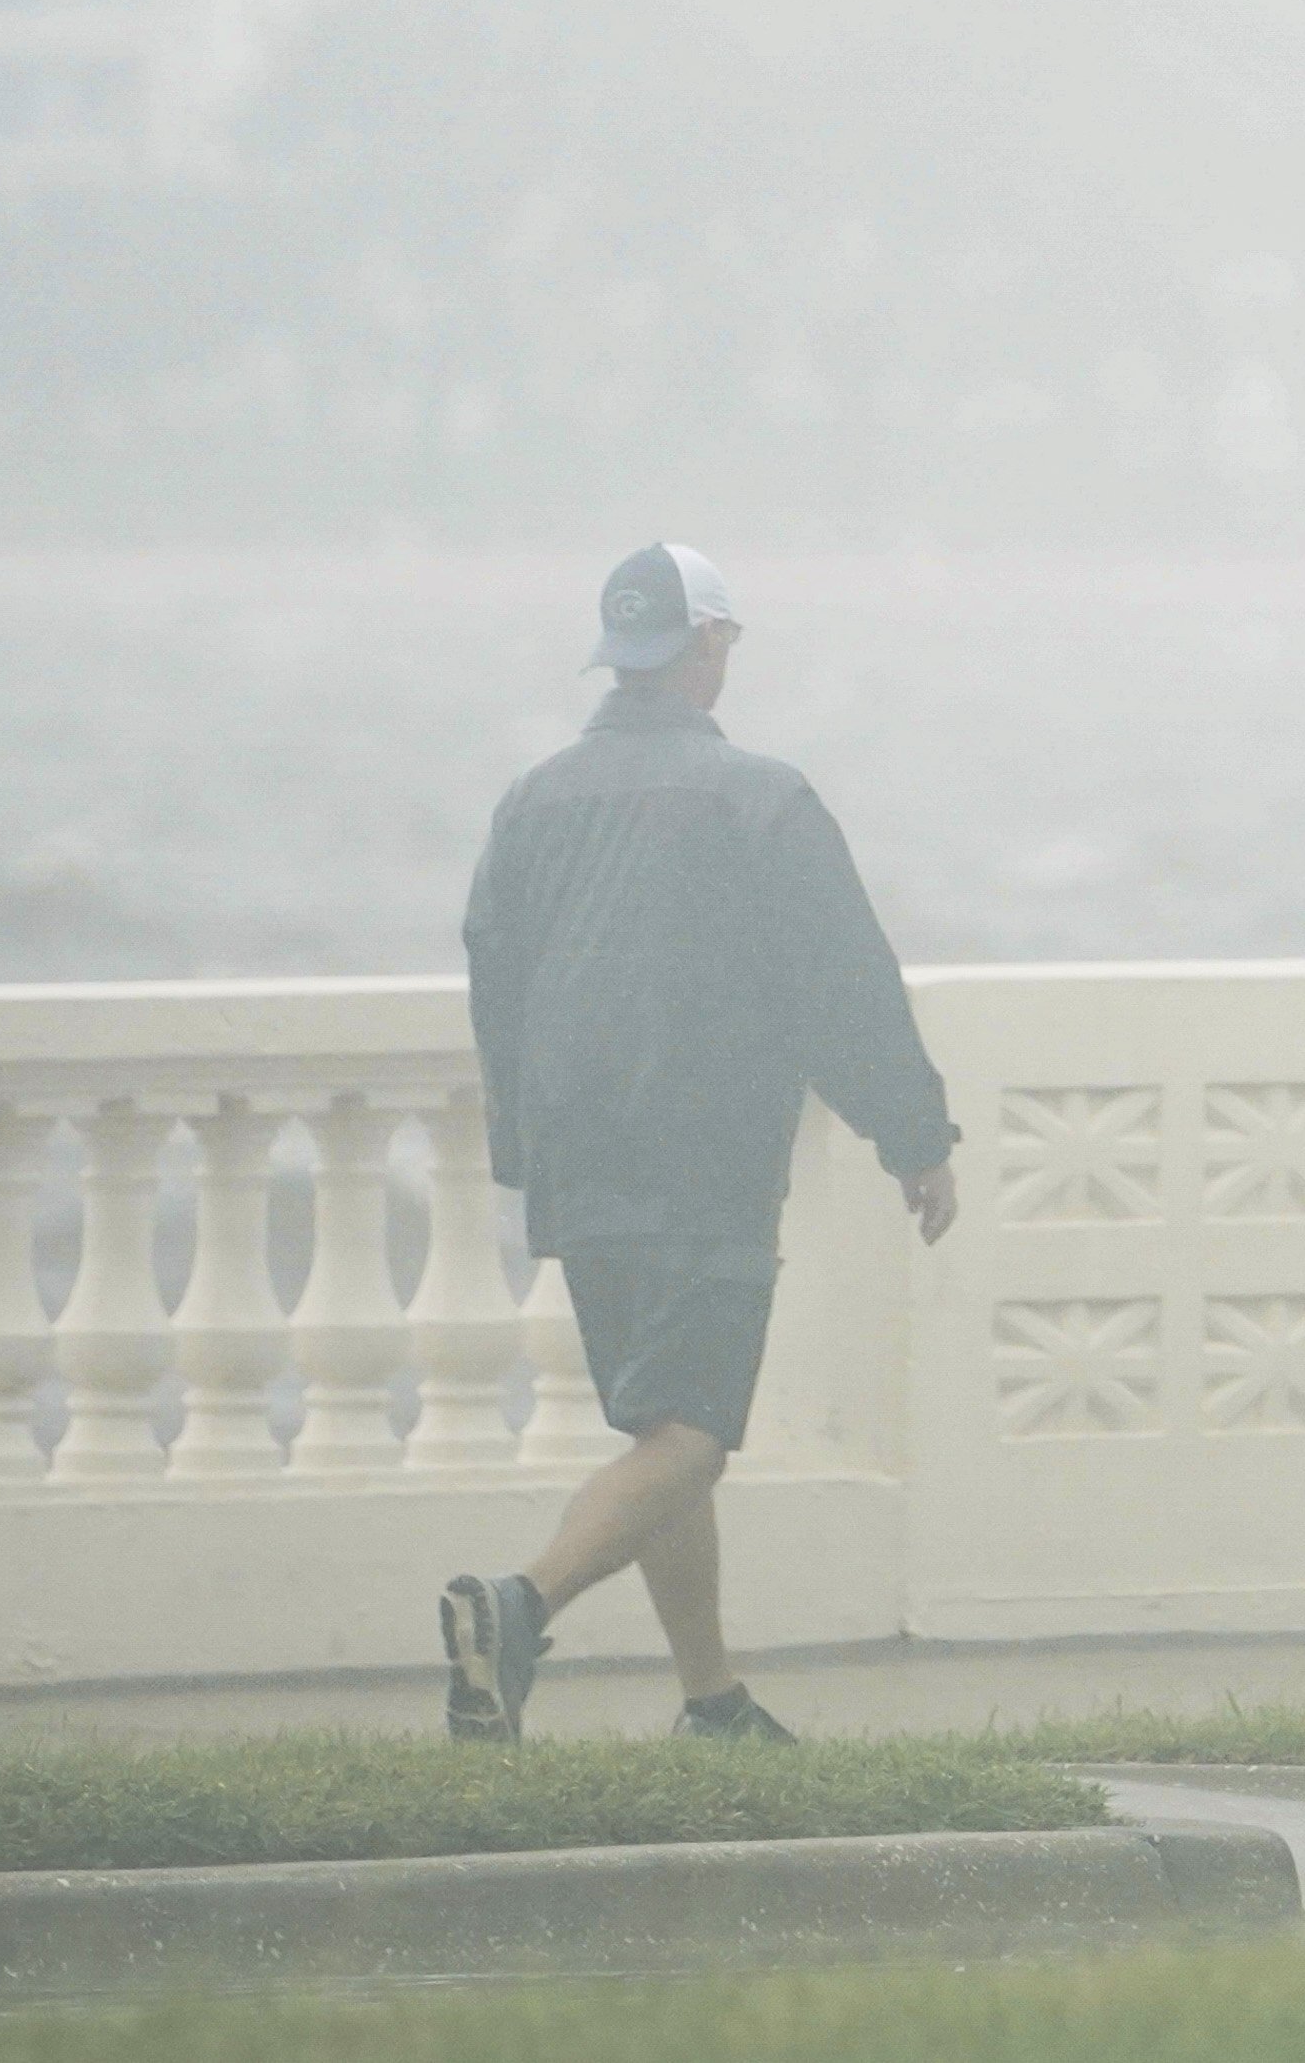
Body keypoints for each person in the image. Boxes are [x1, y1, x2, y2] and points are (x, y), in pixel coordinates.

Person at [437, 539, 956, 1741]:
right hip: (702, 1157)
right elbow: (845, 988)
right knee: (693, 1435)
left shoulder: (532, 801)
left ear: (617, 659)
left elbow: (494, 978)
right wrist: (915, 1136)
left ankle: (711, 1700)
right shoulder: (763, 798)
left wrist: (522, 1142)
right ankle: (518, 1609)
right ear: (711, 646)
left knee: (660, 1427)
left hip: (582, 1162)